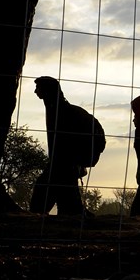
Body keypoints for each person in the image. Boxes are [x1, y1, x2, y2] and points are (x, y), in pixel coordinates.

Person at [29, 76, 95, 217]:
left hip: (63, 163)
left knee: (44, 193)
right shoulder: (55, 109)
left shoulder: (63, 113)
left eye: (38, 88)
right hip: (62, 163)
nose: (35, 92)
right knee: (65, 198)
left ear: (47, 90)